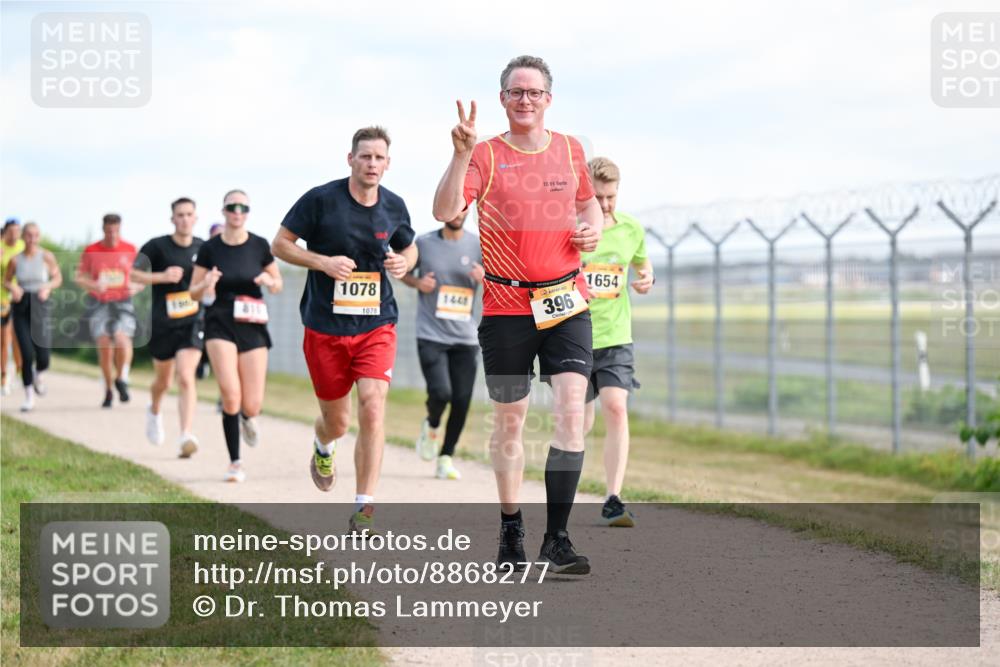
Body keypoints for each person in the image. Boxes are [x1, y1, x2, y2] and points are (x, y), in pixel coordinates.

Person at [432, 55, 602, 574]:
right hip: (506, 309)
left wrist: (591, 228)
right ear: (502, 99)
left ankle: (557, 539)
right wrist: (460, 155)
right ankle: (511, 528)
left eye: (534, 92)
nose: (525, 99)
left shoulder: (571, 149)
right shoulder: (484, 154)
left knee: (571, 412)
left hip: (566, 302)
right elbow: (445, 211)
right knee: (511, 422)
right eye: (515, 92)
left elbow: (588, 203)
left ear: (549, 99)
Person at [272, 126, 417, 534]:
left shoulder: (394, 205)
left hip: (376, 323)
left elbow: (409, 246)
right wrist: (323, 262)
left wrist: (405, 262)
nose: (372, 163)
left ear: (388, 164)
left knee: (373, 404)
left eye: (379, 158)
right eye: (365, 156)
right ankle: (324, 445)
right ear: (350, 159)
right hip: (325, 326)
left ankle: (364, 507)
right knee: (337, 422)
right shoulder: (320, 200)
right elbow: (280, 244)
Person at [579, 157, 654, 527]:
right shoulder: (572, 231)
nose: (605, 204)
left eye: (611, 196)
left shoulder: (631, 229)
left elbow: (642, 265)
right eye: (598, 197)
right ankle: (563, 493)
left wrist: (647, 279)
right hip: (574, 335)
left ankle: (613, 498)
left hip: (616, 337)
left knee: (616, 408)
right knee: (579, 422)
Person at [190, 190, 282, 483]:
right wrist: (206, 283)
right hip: (220, 322)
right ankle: (235, 462)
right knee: (231, 395)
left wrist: (268, 280)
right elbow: (192, 292)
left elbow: (277, 283)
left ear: (248, 212)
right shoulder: (210, 248)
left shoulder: (259, 245)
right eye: (232, 207)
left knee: (251, 404)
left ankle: (248, 417)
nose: (237, 212)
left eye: (243, 207)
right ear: (224, 210)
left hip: (252, 323)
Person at [401, 208, 483, 480]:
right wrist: (418, 282)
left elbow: (499, 280)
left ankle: (446, 457)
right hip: (431, 334)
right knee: (441, 392)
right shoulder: (424, 243)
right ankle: (432, 423)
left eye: (463, 208)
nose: (458, 213)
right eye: (453, 208)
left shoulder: (478, 245)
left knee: (461, 400)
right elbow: (401, 272)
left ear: (468, 210)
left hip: (465, 337)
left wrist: (484, 278)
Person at [132, 197, 205, 458]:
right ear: (172, 219)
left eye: (189, 214)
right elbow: (133, 274)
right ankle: (154, 409)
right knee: (163, 381)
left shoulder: (204, 248)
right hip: (163, 322)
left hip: (193, 321)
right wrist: (161, 276)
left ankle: (185, 435)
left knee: (185, 376)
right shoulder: (156, 246)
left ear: (195, 218)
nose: (185, 219)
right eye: (180, 215)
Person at [75, 213, 142, 408]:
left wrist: (136, 287)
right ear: (103, 229)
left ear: (120, 229)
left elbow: (142, 277)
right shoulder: (91, 250)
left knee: (122, 340)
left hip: (123, 301)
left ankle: (121, 378)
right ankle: (108, 389)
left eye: (116, 231)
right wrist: (94, 285)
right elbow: (79, 277)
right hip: (99, 303)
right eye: (109, 231)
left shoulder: (130, 249)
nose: (112, 235)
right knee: (105, 347)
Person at [3, 222, 62, 411]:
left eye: (35, 235)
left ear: (39, 237)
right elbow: (6, 281)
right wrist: (13, 287)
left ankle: (38, 375)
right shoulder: (15, 260)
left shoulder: (46, 257)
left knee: (44, 356)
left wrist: (47, 287)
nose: (32, 239)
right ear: (23, 237)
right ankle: (29, 397)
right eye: (28, 235)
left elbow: (57, 278)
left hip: (40, 304)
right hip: (21, 306)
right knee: (26, 354)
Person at [1, 218, 25, 396]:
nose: (14, 234)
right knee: (4, 339)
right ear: (6, 232)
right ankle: (3, 378)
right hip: (2, 298)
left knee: (19, 338)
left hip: (21, 298)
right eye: (11, 231)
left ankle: (20, 371)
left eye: (17, 230)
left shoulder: (24, 247)